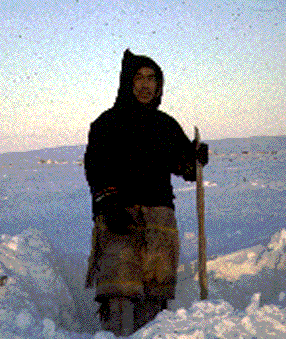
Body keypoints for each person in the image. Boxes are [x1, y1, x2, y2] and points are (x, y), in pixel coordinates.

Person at [84, 49, 208, 336]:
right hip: (119, 218)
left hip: (159, 222)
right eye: (138, 77)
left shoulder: (165, 125)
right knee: (119, 292)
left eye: (151, 78)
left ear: (159, 84)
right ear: (127, 82)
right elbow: (96, 169)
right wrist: (108, 203)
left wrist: (195, 158)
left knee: (155, 294)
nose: (145, 84)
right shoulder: (106, 124)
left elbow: (184, 166)